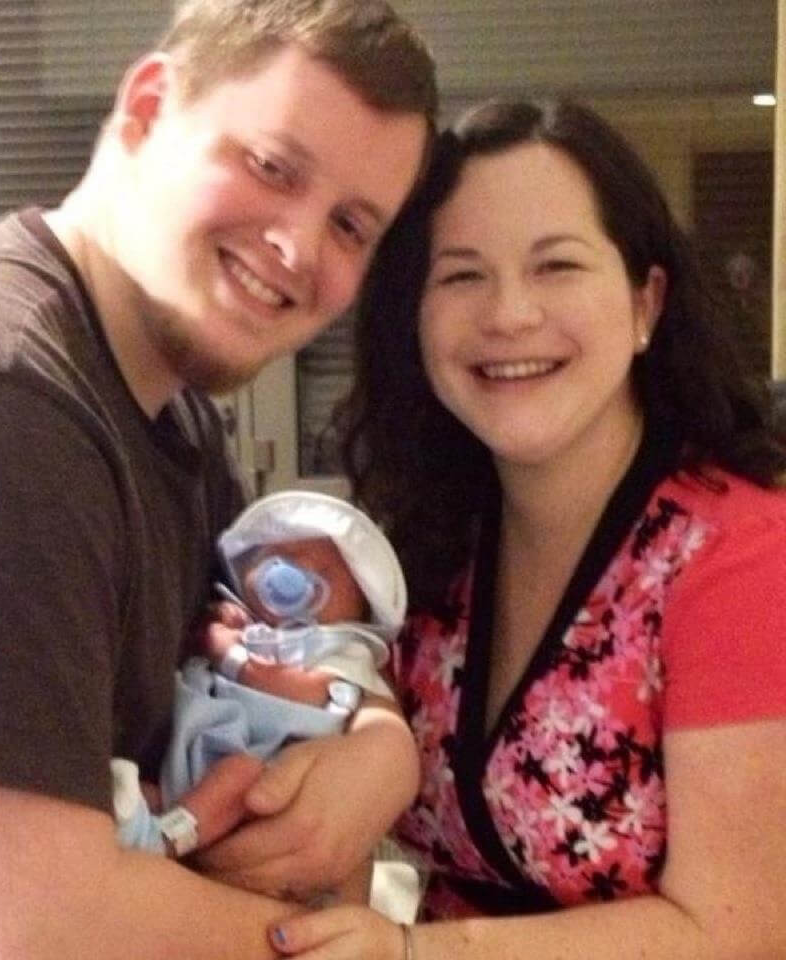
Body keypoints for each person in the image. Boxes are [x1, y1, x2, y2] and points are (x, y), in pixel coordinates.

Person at [0, 1, 436, 956]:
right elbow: (37, 925)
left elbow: (287, 624)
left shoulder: (167, 405)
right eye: (272, 166)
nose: (299, 248)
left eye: (352, 224)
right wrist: (363, 947)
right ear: (149, 109)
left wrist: (382, 745)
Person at [266, 99, 786, 959]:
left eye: (557, 266)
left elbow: (742, 930)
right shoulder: (436, 540)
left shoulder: (744, 558)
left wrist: (411, 954)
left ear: (646, 302)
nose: (508, 314)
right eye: (462, 275)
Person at [112, 490, 407, 870]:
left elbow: (309, 689)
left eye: (324, 572)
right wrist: (221, 627)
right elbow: (198, 639)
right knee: (141, 790)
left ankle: (164, 840)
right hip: (191, 754)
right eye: (277, 556)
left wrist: (234, 659)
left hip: (260, 769)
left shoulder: (341, 648)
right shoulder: (239, 617)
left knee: (236, 778)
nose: (293, 572)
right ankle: (132, 821)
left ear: (360, 608)